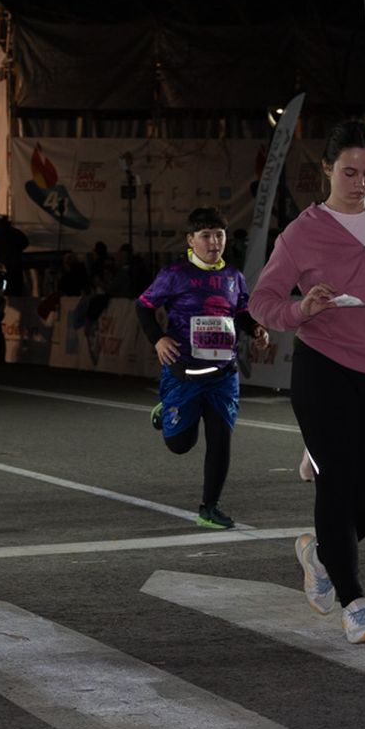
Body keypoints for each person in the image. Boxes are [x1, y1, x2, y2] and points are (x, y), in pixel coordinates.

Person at [251, 119, 365, 645]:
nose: (359, 183)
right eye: (349, 172)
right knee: (339, 480)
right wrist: (300, 308)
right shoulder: (303, 230)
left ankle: (319, 552)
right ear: (327, 169)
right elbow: (262, 301)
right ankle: (356, 604)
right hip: (323, 366)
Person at [137, 207, 268, 529]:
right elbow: (143, 306)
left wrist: (256, 329)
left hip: (224, 375)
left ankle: (210, 507)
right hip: (185, 372)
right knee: (181, 445)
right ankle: (167, 409)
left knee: (221, 440)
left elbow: (241, 312)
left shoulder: (233, 277)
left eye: (219, 235)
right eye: (206, 236)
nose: (214, 242)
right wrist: (158, 339)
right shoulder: (175, 274)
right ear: (191, 240)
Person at [0, 214, 28, 296]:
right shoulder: (15, 232)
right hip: (16, 263)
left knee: (6, 287)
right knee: (17, 285)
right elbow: (25, 243)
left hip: (3, 265)